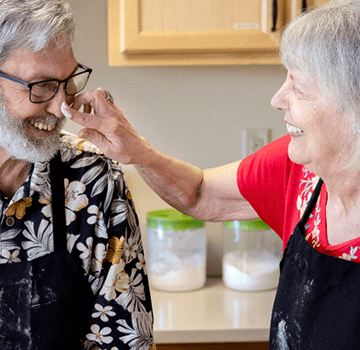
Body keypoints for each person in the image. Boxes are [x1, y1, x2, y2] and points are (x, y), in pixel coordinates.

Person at [62, 0, 360, 348]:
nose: (278, 99)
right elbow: (200, 194)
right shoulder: (296, 170)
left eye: (297, 87)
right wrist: (137, 151)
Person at [0, 1, 155, 349]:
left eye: (68, 83)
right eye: (40, 86)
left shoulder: (93, 178)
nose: (61, 107)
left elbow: (124, 338)